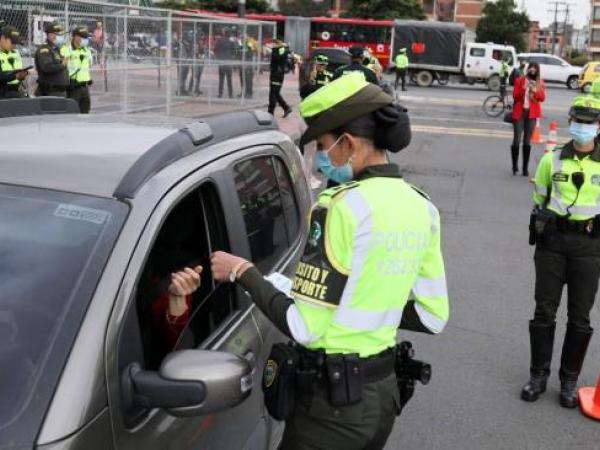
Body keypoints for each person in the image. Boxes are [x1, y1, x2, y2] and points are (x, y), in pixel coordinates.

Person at [210, 72, 449, 450]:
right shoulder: (422, 207)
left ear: (349, 142)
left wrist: (244, 273)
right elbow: (433, 316)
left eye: (323, 145)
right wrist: (365, 304)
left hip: (331, 411)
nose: (321, 158)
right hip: (383, 398)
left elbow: (303, 326)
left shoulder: (339, 208)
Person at [522, 95, 600, 409]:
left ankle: (569, 381)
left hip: (590, 246)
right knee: (544, 310)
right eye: (578, 121)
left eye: (589, 122)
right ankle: (538, 376)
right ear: (570, 122)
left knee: (580, 317)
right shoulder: (551, 160)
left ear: (598, 126)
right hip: (552, 245)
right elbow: (540, 200)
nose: (582, 127)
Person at [511, 62, 545, 176]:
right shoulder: (520, 80)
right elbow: (515, 95)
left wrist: (535, 90)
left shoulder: (540, 82)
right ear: (528, 69)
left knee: (527, 141)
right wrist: (523, 88)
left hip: (531, 114)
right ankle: (515, 165)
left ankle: (525, 168)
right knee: (517, 139)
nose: (532, 70)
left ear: (537, 71)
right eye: (531, 67)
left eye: (535, 68)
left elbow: (542, 98)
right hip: (519, 113)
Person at [34, 22, 69, 97]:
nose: (60, 37)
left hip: (59, 91)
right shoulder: (45, 49)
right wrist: (62, 64)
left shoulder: (56, 49)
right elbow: (47, 68)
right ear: (50, 34)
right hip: (51, 92)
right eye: (58, 34)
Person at [63, 26, 93, 113]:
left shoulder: (87, 50)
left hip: (85, 87)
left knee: (85, 112)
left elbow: (90, 65)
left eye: (86, 37)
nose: (85, 39)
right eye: (83, 37)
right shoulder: (66, 49)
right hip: (73, 87)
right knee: (72, 113)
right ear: (76, 37)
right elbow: (62, 66)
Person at [0, 25, 29, 99]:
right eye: (12, 42)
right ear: (3, 38)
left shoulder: (16, 53)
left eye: (16, 43)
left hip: (16, 91)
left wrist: (23, 75)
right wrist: (15, 75)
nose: (14, 45)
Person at [268, 39, 292, 118]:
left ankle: (270, 113)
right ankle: (286, 108)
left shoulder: (281, 50)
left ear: (279, 43)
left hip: (277, 74)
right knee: (276, 93)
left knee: (273, 94)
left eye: (274, 43)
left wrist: (273, 49)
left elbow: (276, 57)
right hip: (276, 74)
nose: (273, 44)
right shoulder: (280, 49)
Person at [215, 29, 236, 98]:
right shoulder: (231, 42)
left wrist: (218, 58)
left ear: (224, 34)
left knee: (221, 79)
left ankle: (220, 94)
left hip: (221, 62)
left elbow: (216, 50)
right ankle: (230, 94)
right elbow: (234, 52)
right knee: (229, 79)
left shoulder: (219, 41)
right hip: (228, 62)